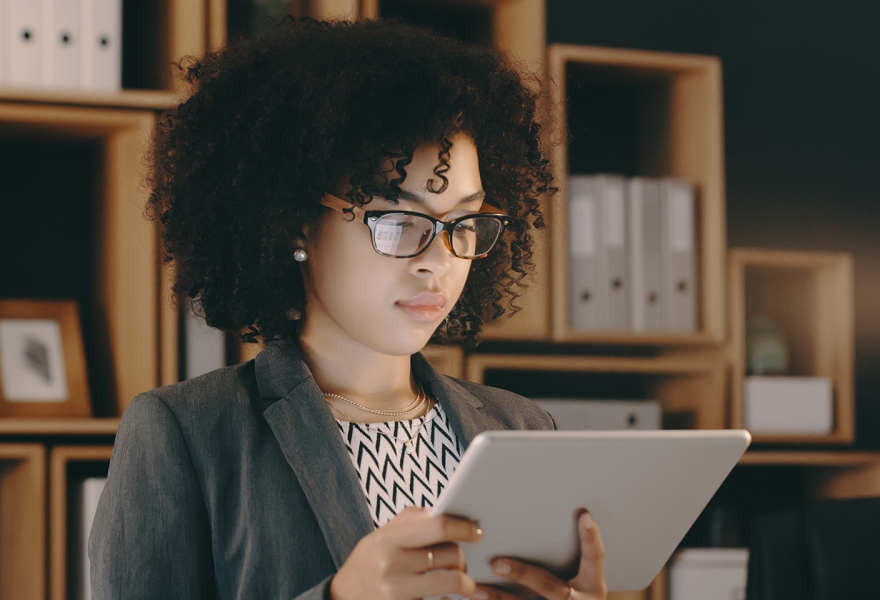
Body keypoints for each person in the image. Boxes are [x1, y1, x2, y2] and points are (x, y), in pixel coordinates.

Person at [90, 17, 608, 600]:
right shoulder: (188, 434)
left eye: (463, 222)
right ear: (295, 223)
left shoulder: (522, 428)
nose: (438, 260)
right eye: (400, 222)